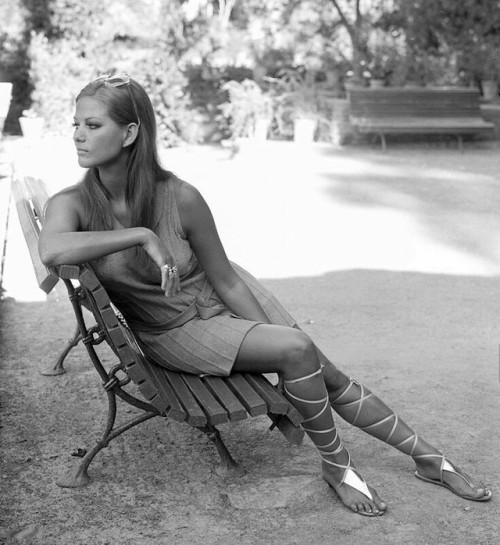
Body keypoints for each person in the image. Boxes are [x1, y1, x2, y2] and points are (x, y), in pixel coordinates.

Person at [39, 73, 492, 517]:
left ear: (130, 132)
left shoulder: (180, 196)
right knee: (298, 350)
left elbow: (227, 279)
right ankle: (338, 466)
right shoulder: (73, 203)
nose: (77, 135)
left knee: (321, 370)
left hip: (221, 299)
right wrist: (140, 235)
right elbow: (51, 248)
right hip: (174, 332)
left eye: (91, 125)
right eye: (76, 124)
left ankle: (429, 459)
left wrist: (263, 337)